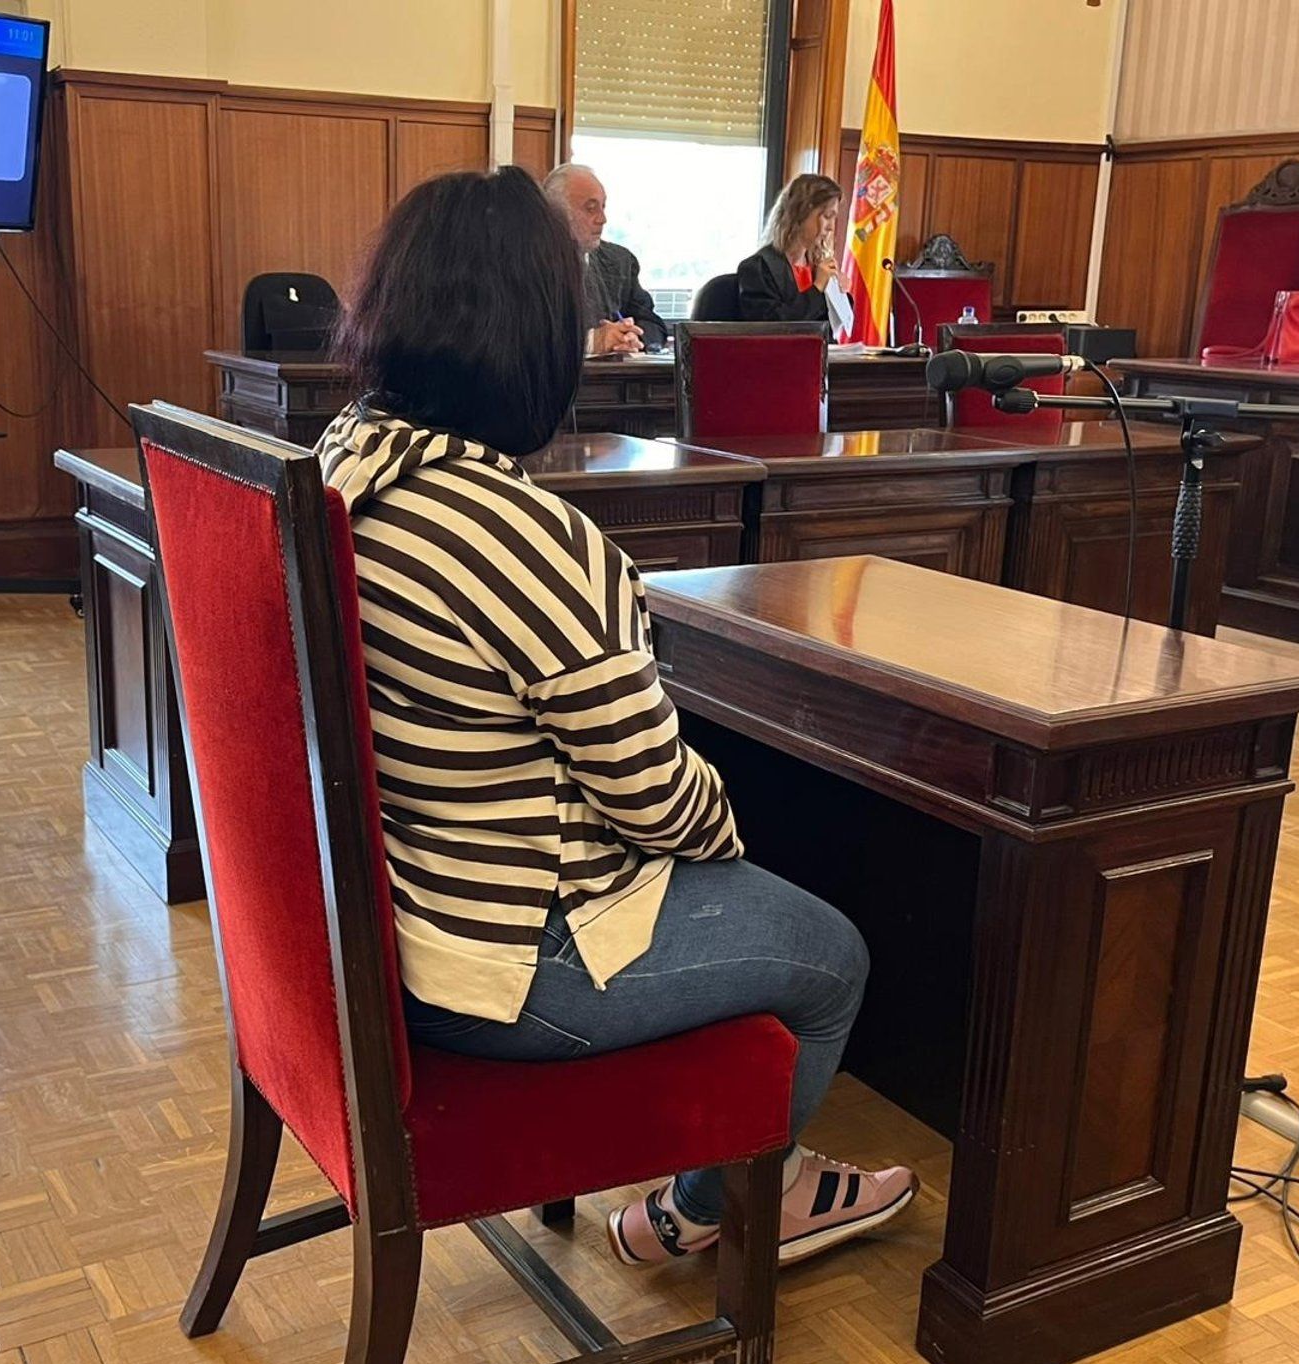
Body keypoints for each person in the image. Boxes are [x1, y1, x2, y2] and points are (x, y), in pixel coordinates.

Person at [319, 165, 916, 1267]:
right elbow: (660, 806)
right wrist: (734, 836)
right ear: (539, 339)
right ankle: (715, 1207)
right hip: (507, 963)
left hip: (388, 922)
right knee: (832, 954)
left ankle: (747, 1175)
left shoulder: (340, 465)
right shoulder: (521, 535)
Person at [543, 162, 668, 356]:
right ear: (554, 213)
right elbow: (524, 339)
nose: (602, 219)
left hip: (616, 374)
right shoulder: (528, 265)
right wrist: (591, 342)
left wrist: (632, 337)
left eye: (603, 207)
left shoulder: (620, 262)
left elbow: (652, 323)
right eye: (590, 208)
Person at [737, 173, 848, 331]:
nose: (831, 227)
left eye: (833, 218)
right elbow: (775, 327)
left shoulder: (816, 266)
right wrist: (817, 288)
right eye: (827, 216)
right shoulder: (758, 268)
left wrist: (839, 293)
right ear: (800, 213)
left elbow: (831, 330)